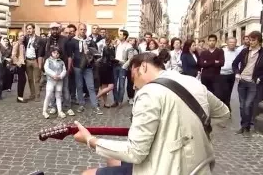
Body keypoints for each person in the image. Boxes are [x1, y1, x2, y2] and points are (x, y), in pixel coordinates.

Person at [73, 52, 230, 175]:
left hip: (168, 168)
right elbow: (223, 113)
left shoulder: (149, 93)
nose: (133, 85)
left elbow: (135, 153)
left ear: (143, 67)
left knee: (87, 174)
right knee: (112, 157)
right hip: (199, 165)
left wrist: (90, 140)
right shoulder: (192, 81)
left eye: (132, 76)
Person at [42, 46, 67, 119]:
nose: (56, 54)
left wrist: (61, 76)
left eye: (57, 53)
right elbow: (46, 69)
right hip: (51, 80)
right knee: (48, 95)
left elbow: (64, 70)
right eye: (54, 52)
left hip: (59, 80)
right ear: (51, 53)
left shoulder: (61, 62)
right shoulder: (48, 60)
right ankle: (44, 111)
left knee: (58, 95)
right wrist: (54, 75)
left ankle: (60, 111)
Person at [97, 37, 115, 108]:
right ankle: (96, 97)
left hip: (104, 67)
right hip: (106, 67)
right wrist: (118, 61)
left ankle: (105, 103)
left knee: (104, 86)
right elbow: (111, 58)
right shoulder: (107, 48)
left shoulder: (106, 47)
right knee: (111, 86)